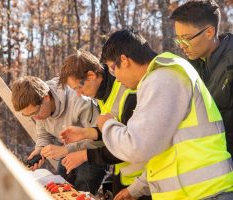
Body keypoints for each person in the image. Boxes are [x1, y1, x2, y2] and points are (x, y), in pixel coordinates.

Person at [97, 29, 233, 200]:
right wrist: (136, 189)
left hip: (205, 193)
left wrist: (107, 125)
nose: (116, 78)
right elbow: (164, 151)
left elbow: (137, 146)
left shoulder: (162, 78)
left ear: (124, 60)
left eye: (112, 69)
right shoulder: (162, 77)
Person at [58, 50, 151, 199]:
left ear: (91, 75)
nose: (79, 94)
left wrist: (85, 155)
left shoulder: (128, 91)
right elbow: (116, 129)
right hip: (124, 175)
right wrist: (86, 133)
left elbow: (128, 143)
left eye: (78, 88)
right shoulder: (102, 95)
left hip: (145, 181)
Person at [11, 76, 106, 194]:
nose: (35, 118)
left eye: (35, 113)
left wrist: (66, 149)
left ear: (46, 98)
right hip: (66, 152)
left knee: (82, 194)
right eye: (29, 115)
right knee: (60, 192)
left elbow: (100, 137)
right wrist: (40, 149)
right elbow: (43, 134)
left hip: (92, 154)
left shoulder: (79, 100)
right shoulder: (38, 105)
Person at [170, 0, 233, 154]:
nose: (181, 45)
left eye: (186, 38)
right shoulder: (188, 69)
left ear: (209, 32)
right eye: (178, 39)